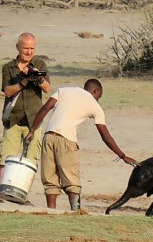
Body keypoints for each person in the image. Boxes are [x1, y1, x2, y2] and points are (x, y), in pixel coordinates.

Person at [25, 79, 136, 211]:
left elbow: (45, 108)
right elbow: (105, 136)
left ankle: (51, 211)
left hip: (48, 136)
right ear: (96, 91)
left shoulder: (64, 90)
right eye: (98, 97)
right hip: (67, 140)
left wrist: (32, 130)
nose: (97, 100)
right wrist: (122, 156)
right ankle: (75, 211)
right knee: (71, 179)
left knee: (50, 179)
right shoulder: (94, 106)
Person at [0, 32, 52, 201]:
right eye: (25, 48)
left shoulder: (39, 63)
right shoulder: (8, 67)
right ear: (17, 47)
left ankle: (22, 196)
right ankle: (2, 196)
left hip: (34, 121)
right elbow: (7, 91)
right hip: (13, 119)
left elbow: (48, 88)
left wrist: (38, 78)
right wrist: (23, 82)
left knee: (30, 161)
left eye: (32, 48)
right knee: (6, 159)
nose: (29, 52)